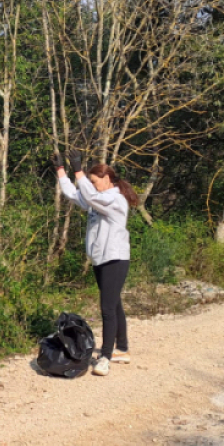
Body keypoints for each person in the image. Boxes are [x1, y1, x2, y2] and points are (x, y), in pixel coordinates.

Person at [52, 149, 139, 376]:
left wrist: (78, 171)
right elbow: (74, 194)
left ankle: (105, 358)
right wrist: (61, 170)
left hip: (115, 258)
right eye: (90, 182)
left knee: (107, 308)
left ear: (106, 178)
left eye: (94, 181)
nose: (91, 185)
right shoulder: (96, 199)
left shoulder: (115, 200)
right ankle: (122, 349)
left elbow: (89, 195)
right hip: (101, 258)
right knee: (114, 304)